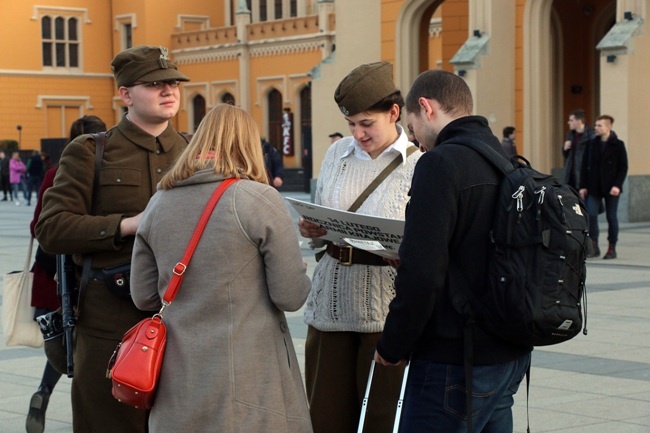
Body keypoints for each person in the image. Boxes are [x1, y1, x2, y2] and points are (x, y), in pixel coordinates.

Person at [35, 45, 189, 433]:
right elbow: (51, 229)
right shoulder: (91, 152)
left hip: (187, 318)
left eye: (173, 82)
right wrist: (127, 224)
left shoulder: (194, 153)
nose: (168, 90)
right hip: (111, 325)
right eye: (154, 84)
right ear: (125, 94)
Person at [130, 103, 312, 432]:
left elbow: (143, 296)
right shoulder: (258, 199)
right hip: (247, 382)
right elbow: (290, 296)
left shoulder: (159, 201)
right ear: (247, 144)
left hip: (177, 384)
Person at [374, 70, 532, 433]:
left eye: (411, 129)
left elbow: (423, 274)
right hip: (509, 352)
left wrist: (392, 345)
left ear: (425, 108)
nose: (415, 141)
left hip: (454, 358)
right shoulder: (505, 159)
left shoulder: (440, 164)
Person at [298, 61, 422, 433]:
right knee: (325, 417)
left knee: (380, 420)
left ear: (394, 113)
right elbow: (321, 223)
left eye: (366, 123)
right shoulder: (337, 154)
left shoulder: (419, 163)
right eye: (352, 124)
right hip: (330, 303)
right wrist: (312, 227)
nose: (358, 133)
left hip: (383, 309)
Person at [26, 115, 108, 433]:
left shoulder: (54, 173)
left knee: (66, 341)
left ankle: (44, 392)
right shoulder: (108, 172)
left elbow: (37, 226)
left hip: (51, 275)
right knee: (83, 347)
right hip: (87, 275)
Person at [579, 114, 628, 260]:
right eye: (595, 125)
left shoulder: (618, 145)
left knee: (611, 216)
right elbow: (584, 166)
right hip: (594, 186)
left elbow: (623, 167)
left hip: (611, 187)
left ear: (608, 127)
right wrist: (583, 186)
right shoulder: (591, 144)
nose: (596, 128)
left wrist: (617, 185)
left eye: (599, 125)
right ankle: (593, 246)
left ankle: (612, 248)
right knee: (591, 215)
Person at [563, 109, 595, 189]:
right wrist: (565, 149)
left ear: (579, 121)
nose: (568, 122)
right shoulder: (570, 135)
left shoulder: (591, 135)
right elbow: (567, 156)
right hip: (570, 175)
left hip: (584, 176)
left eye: (571, 120)